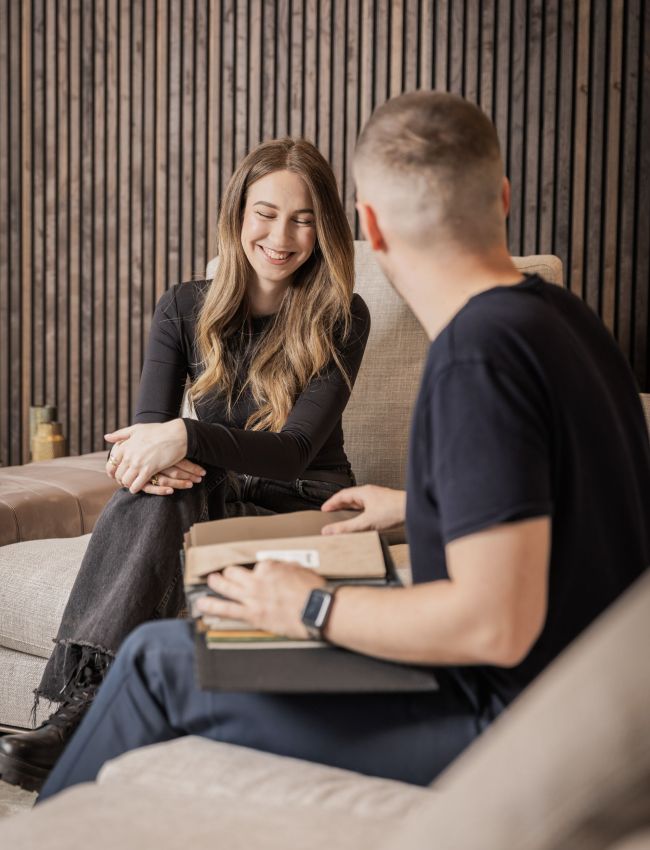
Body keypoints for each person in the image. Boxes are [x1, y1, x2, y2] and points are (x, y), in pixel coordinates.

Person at [21, 91, 650, 801]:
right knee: (166, 644)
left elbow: (493, 626)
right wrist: (419, 505)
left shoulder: (475, 357)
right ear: (501, 198)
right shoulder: (569, 324)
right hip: (589, 703)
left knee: (154, 663)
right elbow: (566, 514)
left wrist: (310, 607)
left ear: (367, 228)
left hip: (506, 721)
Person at [0, 138, 371, 792]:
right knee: (156, 489)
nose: (281, 235)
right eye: (265, 212)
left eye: (303, 217)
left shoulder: (342, 314)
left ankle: (83, 710)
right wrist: (154, 454)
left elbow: (294, 451)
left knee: (172, 475)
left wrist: (186, 439)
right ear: (236, 216)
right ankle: (91, 704)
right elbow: (148, 440)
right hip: (205, 493)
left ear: (325, 227)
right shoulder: (183, 306)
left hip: (299, 502)